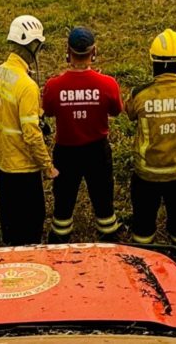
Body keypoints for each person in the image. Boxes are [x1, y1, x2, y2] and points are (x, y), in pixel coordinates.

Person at [43, 26, 125, 243]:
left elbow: (48, 111)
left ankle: (60, 234)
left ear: (67, 52)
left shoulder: (54, 86)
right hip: (97, 149)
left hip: (66, 150)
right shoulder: (108, 84)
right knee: (103, 194)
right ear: (94, 51)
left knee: (64, 197)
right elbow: (116, 111)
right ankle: (108, 230)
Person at [124, 29, 176, 252]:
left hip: (146, 174)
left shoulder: (140, 94)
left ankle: (143, 258)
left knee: (143, 222)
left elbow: (129, 113)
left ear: (153, 61)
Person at [0, 15, 57, 246]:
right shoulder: (26, 86)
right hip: (24, 169)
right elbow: (31, 134)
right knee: (31, 225)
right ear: (34, 45)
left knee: (10, 225)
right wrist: (47, 166)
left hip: (3, 163)